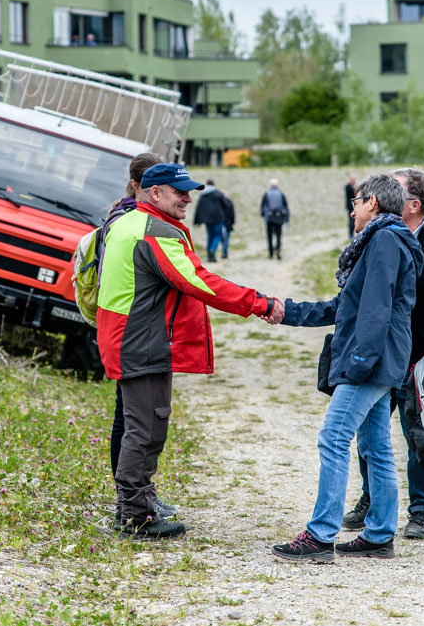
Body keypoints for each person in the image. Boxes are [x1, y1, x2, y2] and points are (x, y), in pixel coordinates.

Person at [98, 162, 284, 538]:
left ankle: (136, 506)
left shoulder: (127, 221)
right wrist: (258, 303)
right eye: (179, 192)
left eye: (189, 191)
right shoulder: (155, 231)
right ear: (154, 193)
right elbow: (199, 281)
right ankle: (133, 516)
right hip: (139, 341)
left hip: (127, 337)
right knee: (145, 430)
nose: (187, 198)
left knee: (143, 425)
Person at [271, 174, 423, 562]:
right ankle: (379, 535)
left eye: (355, 202)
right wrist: (289, 312)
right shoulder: (384, 240)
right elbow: (346, 307)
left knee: (333, 437)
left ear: (372, 202)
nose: (351, 210)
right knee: (376, 446)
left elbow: (376, 310)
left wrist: (359, 364)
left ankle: (320, 535)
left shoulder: (385, 240)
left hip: (371, 362)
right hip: (380, 360)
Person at [340, 168, 424, 540]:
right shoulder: (376, 240)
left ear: (413, 205)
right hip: (381, 356)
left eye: (396, 191)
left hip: (419, 361)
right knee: (368, 435)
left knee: (420, 436)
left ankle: (422, 509)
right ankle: (371, 499)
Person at [99, 153, 171, 528]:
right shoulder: (129, 221)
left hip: (124, 331)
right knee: (130, 423)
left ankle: (135, 498)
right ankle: (129, 504)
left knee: (129, 420)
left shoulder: (121, 217)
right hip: (130, 333)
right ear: (142, 187)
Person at [192, 179, 228, 263]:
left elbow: (199, 208)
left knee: (210, 236)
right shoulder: (218, 193)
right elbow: (225, 205)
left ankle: (209, 257)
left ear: (206, 184)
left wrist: (196, 221)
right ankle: (213, 249)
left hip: (207, 220)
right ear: (214, 184)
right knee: (217, 235)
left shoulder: (202, 195)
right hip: (218, 218)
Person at [260, 179, 290, 260]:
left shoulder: (267, 194)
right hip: (279, 217)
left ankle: (270, 253)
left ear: (270, 185)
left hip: (269, 217)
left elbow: (263, 206)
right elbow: (285, 207)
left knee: (269, 236)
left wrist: (263, 214)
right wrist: (287, 218)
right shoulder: (281, 194)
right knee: (278, 235)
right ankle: (278, 250)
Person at [220, 190, 236, 259]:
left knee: (223, 239)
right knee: (226, 239)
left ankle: (224, 252)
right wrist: (232, 222)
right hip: (228, 223)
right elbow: (232, 214)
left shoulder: (219, 202)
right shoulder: (230, 202)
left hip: (221, 222)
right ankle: (224, 252)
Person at [344, 173, 358, 238]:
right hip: (350, 206)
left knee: (355, 220)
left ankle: (353, 233)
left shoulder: (355, 186)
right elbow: (351, 194)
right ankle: (350, 234)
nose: (353, 180)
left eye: (354, 179)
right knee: (351, 220)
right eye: (352, 179)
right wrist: (354, 188)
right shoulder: (348, 186)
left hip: (355, 205)